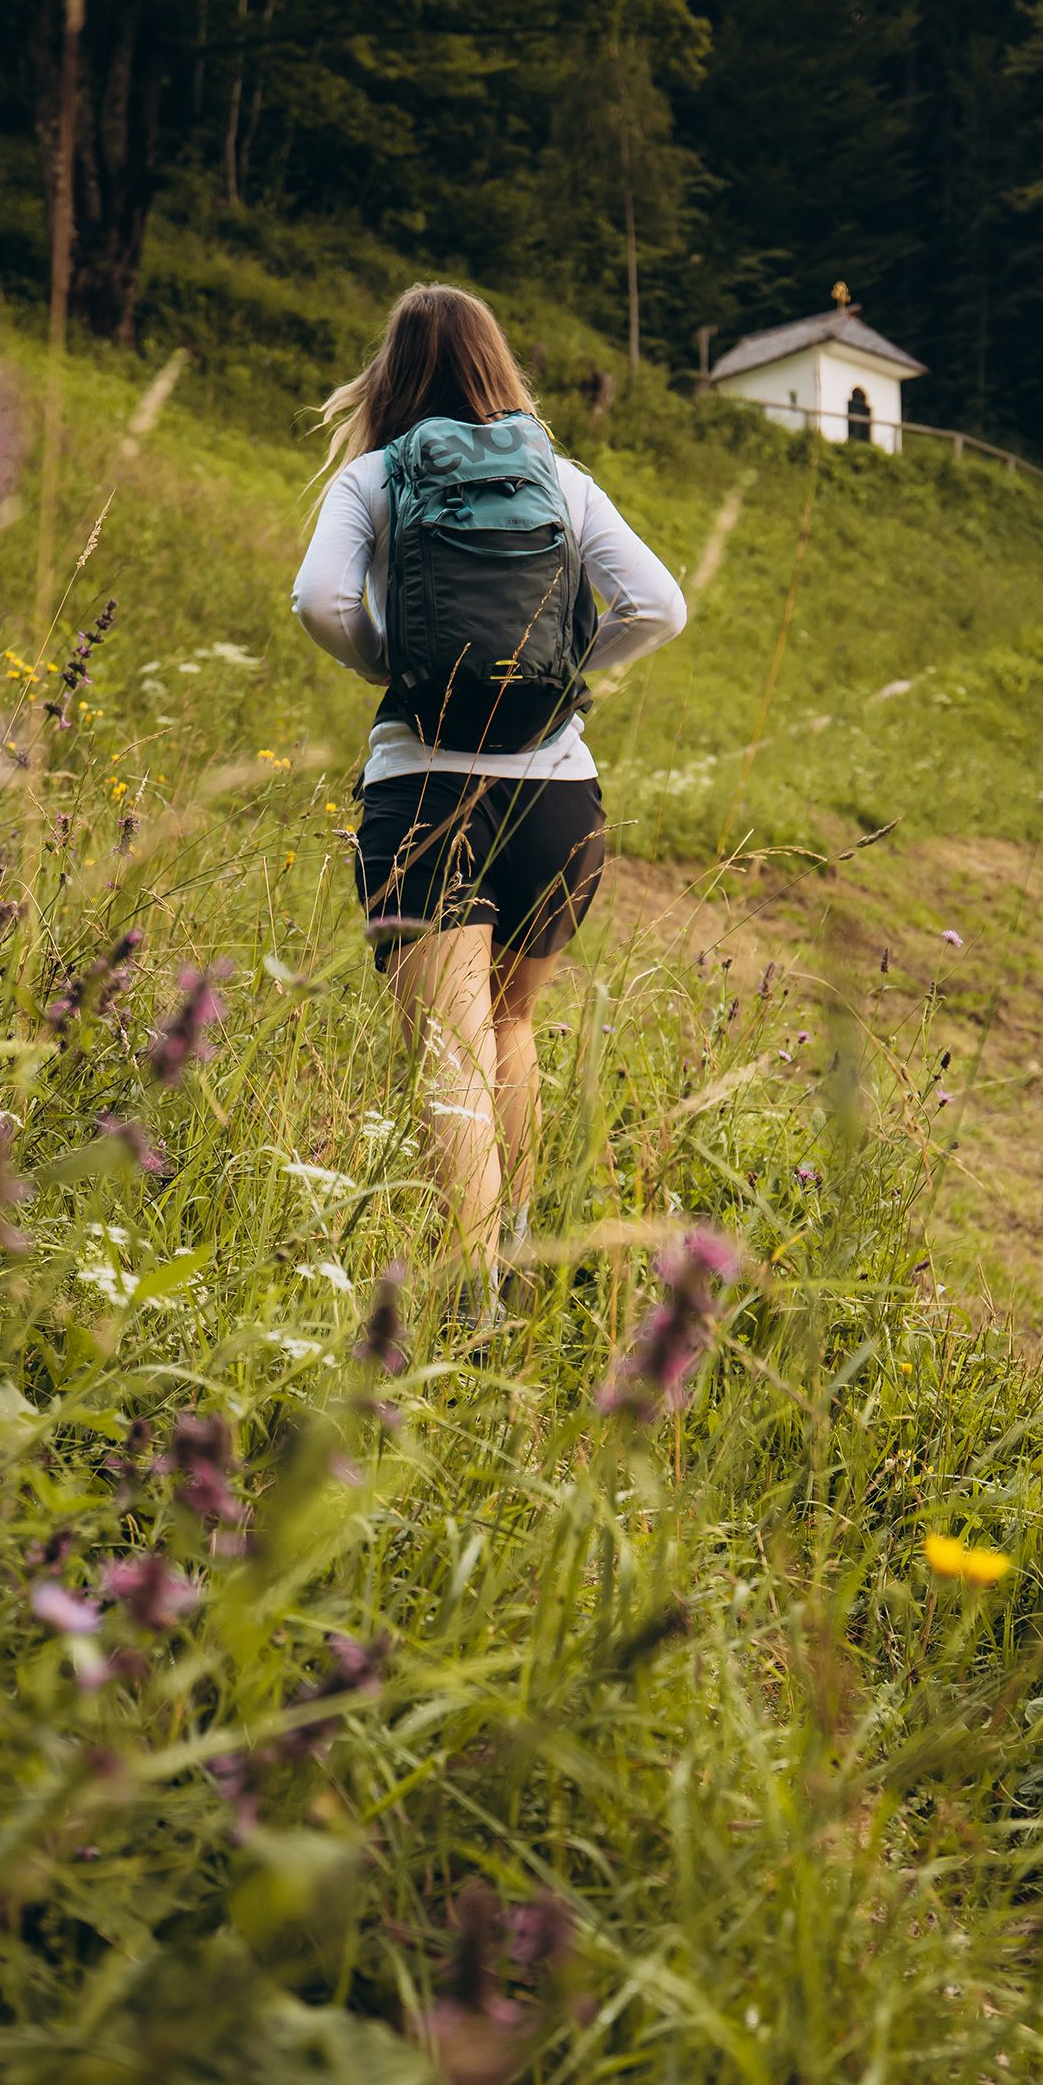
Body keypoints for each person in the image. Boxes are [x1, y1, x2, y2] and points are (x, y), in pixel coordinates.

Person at [293, 283, 686, 1318]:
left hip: (421, 782)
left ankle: (467, 1300)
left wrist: (393, 662)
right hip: (559, 798)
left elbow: (320, 601)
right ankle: (507, 1254)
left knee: (445, 1044)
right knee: (509, 1025)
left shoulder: (375, 478)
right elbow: (661, 604)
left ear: (393, 373)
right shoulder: (562, 479)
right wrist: (564, 674)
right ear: (497, 367)